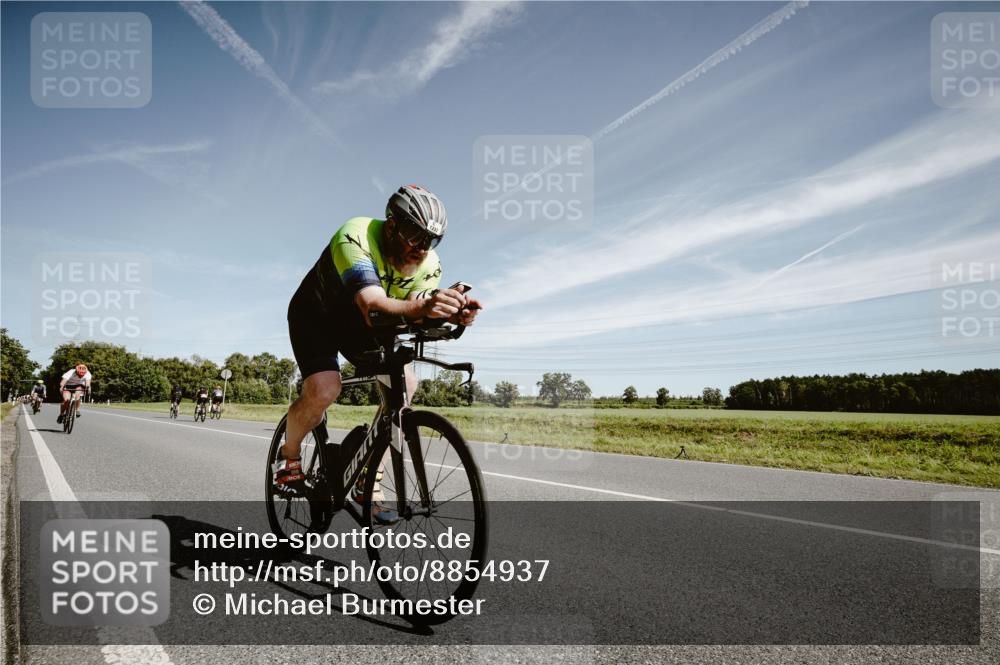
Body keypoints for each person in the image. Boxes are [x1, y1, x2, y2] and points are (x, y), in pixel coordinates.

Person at [277, 185, 483, 518]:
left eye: (431, 241)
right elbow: (372, 305)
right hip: (317, 316)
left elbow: (415, 308)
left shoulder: (430, 264)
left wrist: (449, 313)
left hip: (363, 326)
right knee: (325, 388)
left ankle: (368, 476)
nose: (421, 248)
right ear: (391, 226)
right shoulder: (355, 235)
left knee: (407, 384)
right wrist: (424, 307)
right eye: (414, 236)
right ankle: (289, 457)